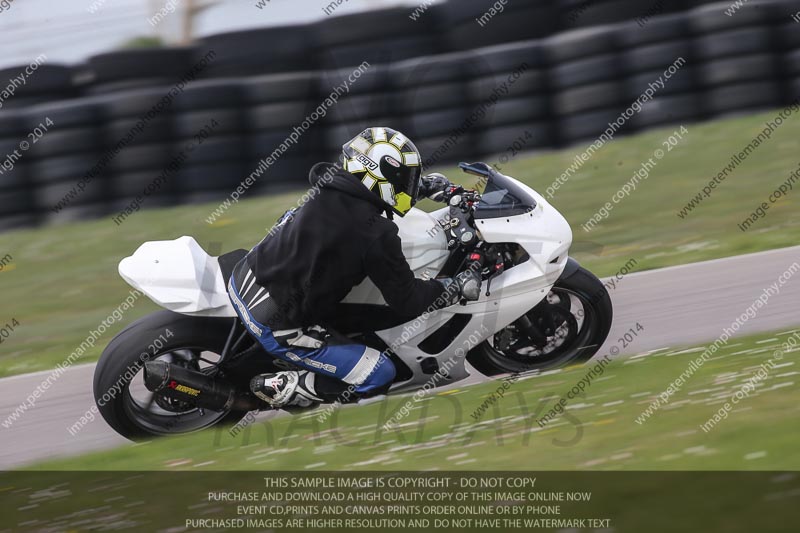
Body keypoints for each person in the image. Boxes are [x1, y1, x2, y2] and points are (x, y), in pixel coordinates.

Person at [227, 127, 481, 409]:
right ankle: (287, 386)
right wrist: (453, 287)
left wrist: (422, 189)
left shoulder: (329, 183)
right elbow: (407, 300)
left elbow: (365, 198)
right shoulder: (375, 234)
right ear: (379, 176)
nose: (409, 185)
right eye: (406, 179)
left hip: (245, 276)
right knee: (380, 373)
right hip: (277, 323)